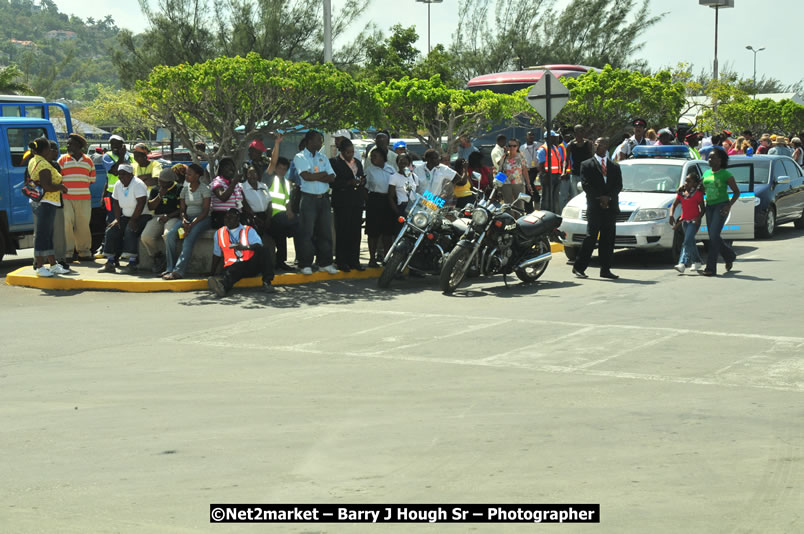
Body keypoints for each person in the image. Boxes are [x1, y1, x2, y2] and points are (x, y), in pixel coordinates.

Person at [572, 137, 622, 280]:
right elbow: (586, 185)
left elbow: (618, 185)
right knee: (591, 237)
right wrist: (601, 198)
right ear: (595, 145)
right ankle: (579, 267)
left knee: (608, 239)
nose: (603, 146)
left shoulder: (614, 166)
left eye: (605, 144)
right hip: (595, 206)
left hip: (610, 207)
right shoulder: (586, 165)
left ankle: (605, 269)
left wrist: (608, 198)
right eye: (600, 144)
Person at [294, 130, 338, 275]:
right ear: (309, 141)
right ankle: (305, 263)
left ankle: (324, 263)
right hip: (308, 199)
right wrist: (322, 174)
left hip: (324, 198)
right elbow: (306, 176)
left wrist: (316, 176)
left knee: (325, 232)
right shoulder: (300, 156)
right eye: (318, 140)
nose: (320, 142)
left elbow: (332, 177)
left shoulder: (323, 157)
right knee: (307, 233)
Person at [208, 208, 275, 297]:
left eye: (231, 217)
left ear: (238, 219)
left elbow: (259, 245)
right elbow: (217, 253)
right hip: (232, 266)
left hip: (250, 265)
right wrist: (212, 272)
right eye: (226, 217)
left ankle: (267, 282)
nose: (227, 219)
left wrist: (245, 247)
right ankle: (222, 287)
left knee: (264, 249)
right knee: (234, 269)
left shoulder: (248, 230)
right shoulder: (219, 233)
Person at [28, 136, 69, 277]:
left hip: (43, 202)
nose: (51, 150)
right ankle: (40, 266)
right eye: (49, 148)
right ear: (45, 149)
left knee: (48, 235)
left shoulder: (34, 160)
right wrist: (61, 187)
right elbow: (47, 186)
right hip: (46, 202)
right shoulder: (44, 165)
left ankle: (52, 265)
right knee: (43, 235)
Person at [99, 164, 152, 273]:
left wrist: (133, 220)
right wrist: (117, 219)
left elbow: (141, 203)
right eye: (119, 174)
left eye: (124, 174)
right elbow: (116, 203)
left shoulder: (138, 184)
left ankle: (132, 264)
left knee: (130, 229)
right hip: (126, 216)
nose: (121, 177)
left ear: (131, 175)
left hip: (142, 216)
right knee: (111, 230)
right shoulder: (118, 184)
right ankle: (110, 262)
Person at [163, 163, 211, 280]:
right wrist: (184, 220)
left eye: (189, 174)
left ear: (197, 176)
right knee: (170, 236)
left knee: (188, 240)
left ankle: (179, 271)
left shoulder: (204, 189)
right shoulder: (184, 190)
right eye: (186, 174)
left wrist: (192, 224)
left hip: (202, 219)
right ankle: (170, 267)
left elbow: (205, 211)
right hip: (187, 218)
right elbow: (182, 209)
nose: (186, 176)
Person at [701, 147, 740, 277]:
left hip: (721, 206)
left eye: (713, 157)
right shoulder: (706, 173)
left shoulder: (726, 174)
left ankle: (710, 268)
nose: (710, 159)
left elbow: (736, 192)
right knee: (714, 236)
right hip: (710, 206)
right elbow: (701, 188)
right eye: (709, 157)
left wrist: (728, 206)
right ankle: (730, 255)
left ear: (720, 160)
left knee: (713, 236)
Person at [58, 133, 96, 261]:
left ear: (79, 146)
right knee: (67, 225)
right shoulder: (62, 160)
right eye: (67, 143)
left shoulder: (88, 161)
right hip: (66, 198)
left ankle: (84, 252)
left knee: (83, 224)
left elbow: (92, 179)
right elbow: (58, 178)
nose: (68, 146)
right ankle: (67, 253)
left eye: (70, 144)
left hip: (84, 198)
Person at [330, 138, 366, 272]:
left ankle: (354, 260)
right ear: (342, 151)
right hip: (342, 201)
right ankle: (341, 261)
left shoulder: (357, 163)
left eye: (352, 152)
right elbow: (333, 182)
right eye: (348, 152)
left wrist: (361, 181)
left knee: (355, 232)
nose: (351, 155)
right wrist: (348, 182)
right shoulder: (334, 162)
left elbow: (361, 175)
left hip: (356, 201)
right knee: (343, 231)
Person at [139, 168, 183, 273]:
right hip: (158, 216)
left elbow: (182, 208)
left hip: (173, 217)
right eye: (159, 180)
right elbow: (150, 207)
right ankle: (158, 256)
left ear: (170, 181)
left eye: (163, 181)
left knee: (167, 235)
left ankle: (170, 262)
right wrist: (160, 195)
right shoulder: (156, 189)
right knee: (146, 236)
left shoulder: (179, 189)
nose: (160, 183)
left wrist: (168, 216)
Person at [365, 145, 397, 268]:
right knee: (373, 232)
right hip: (374, 200)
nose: (373, 159)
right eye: (372, 157)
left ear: (383, 158)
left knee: (387, 232)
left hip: (388, 200)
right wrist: (369, 201)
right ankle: (372, 259)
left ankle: (387, 258)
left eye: (375, 156)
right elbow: (364, 188)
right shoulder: (369, 170)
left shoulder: (391, 169)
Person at [669, 172, 705, 273]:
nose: (686, 183)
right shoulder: (681, 193)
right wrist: (671, 215)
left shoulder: (698, 194)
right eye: (686, 181)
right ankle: (697, 261)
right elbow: (674, 205)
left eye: (689, 181)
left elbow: (703, 209)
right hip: (685, 222)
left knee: (687, 241)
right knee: (691, 242)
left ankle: (683, 263)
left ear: (694, 184)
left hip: (694, 221)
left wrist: (698, 218)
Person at [267, 155, 298, 271]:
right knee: (282, 230)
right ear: (275, 168)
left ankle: (301, 259)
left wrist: (290, 211)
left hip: (283, 215)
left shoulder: (286, 182)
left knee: (300, 227)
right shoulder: (270, 179)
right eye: (280, 168)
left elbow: (287, 200)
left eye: (285, 169)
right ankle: (280, 261)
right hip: (271, 215)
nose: (282, 171)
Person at [496, 137, 533, 209]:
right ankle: (510, 219)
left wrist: (528, 184)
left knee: (519, 205)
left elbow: (525, 170)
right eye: (510, 146)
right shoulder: (504, 156)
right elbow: (500, 169)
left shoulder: (521, 156)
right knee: (508, 205)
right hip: (506, 184)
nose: (512, 147)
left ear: (518, 147)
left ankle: (518, 219)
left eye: (514, 146)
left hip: (518, 183)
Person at [210, 157, 244, 229]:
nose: (232, 168)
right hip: (222, 217)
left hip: (236, 216)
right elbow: (223, 197)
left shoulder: (236, 184)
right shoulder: (217, 181)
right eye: (228, 166)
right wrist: (234, 182)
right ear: (221, 168)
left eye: (233, 166)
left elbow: (242, 202)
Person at [536, 131, 565, 213]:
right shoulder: (543, 149)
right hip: (548, 176)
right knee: (546, 198)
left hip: (556, 176)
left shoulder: (555, 147)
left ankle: (554, 215)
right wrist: (545, 175)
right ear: (548, 138)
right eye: (554, 136)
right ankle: (545, 215)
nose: (556, 138)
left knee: (555, 198)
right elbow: (541, 165)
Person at [565, 125, 594, 205]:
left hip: (586, 173)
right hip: (575, 173)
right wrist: (564, 171)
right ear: (575, 133)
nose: (581, 133)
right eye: (579, 131)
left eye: (582, 131)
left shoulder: (588, 144)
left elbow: (592, 158)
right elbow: (566, 160)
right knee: (575, 195)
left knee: (586, 194)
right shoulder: (570, 145)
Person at [241, 165, 273, 237]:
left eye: (255, 173)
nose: (252, 176)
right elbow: (244, 205)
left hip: (266, 217)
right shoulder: (242, 187)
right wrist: (255, 217)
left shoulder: (263, 186)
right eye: (250, 174)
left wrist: (268, 218)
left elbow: (269, 202)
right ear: (246, 175)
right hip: (251, 218)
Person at [388, 154, 419, 224]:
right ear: (397, 163)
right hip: (402, 207)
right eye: (400, 162)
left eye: (405, 163)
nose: (402, 165)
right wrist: (398, 212)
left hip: (413, 207)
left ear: (409, 163)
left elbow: (417, 193)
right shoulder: (394, 177)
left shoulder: (414, 176)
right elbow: (390, 197)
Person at [521, 130, 541, 205]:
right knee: (528, 184)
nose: (531, 137)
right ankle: (533, 199)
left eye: (532, 135)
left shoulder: (539, 145)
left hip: (536, 168)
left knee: (529, 183)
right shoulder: (522, 148)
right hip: (527, 169)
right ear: (526, 137)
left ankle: (535, 197)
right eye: (529, 135)